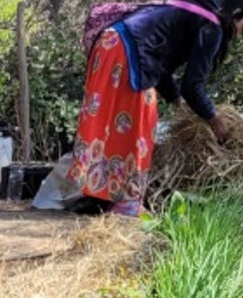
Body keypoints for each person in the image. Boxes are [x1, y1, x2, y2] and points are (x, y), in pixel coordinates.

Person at [53, 0, 243, 215]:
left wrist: (176, 101)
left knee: (107, 125)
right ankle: (127, 203)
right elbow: (192, 86)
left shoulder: (191, 10)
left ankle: (97, 197)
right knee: (139, 127)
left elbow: (159, 63)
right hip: (127, 54)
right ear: (236, 15)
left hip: (110, 44)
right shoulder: (212, 27)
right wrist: (214, 120)